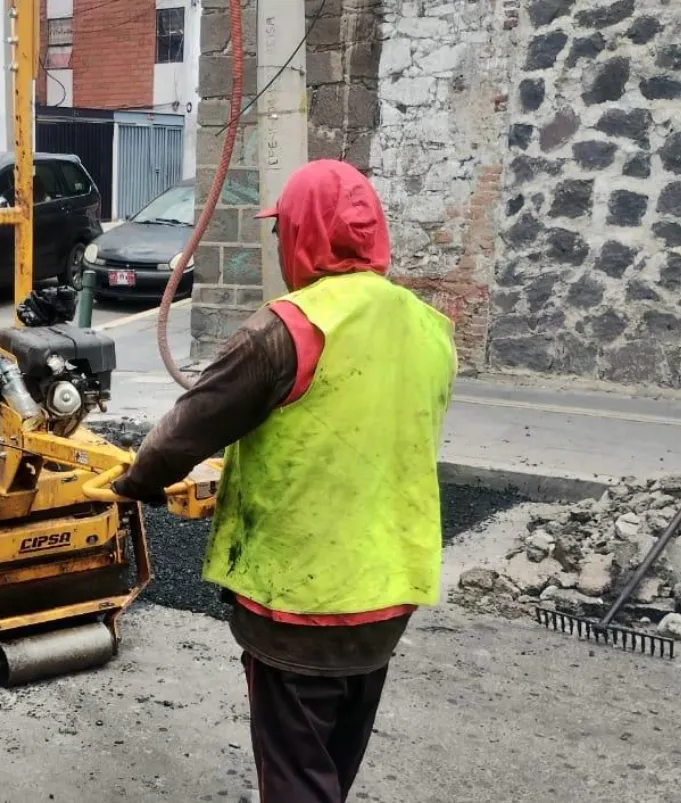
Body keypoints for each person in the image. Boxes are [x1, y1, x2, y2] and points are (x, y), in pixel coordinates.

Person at [111, 159, 458, 803]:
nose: (277, 246)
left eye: (281, 232)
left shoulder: (287, 329)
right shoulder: (429, 328)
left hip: (302, 601)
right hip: (388, 589)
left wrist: (138, 482)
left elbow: (183, 432)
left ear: (304, 234)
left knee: (296, 774)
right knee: (333, 756)